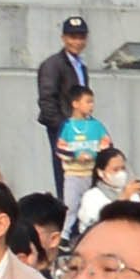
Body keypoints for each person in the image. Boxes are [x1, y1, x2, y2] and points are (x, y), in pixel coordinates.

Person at [34, 15, 94, 201]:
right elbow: (47, 102)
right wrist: (64, 129)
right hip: (64, 132)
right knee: (67, 182)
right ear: (63, 38)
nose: (77, 41)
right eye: (72, 37)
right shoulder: (53, 65)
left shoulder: (80, 65)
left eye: (81, 37)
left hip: (82, 131)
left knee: (85, 180)